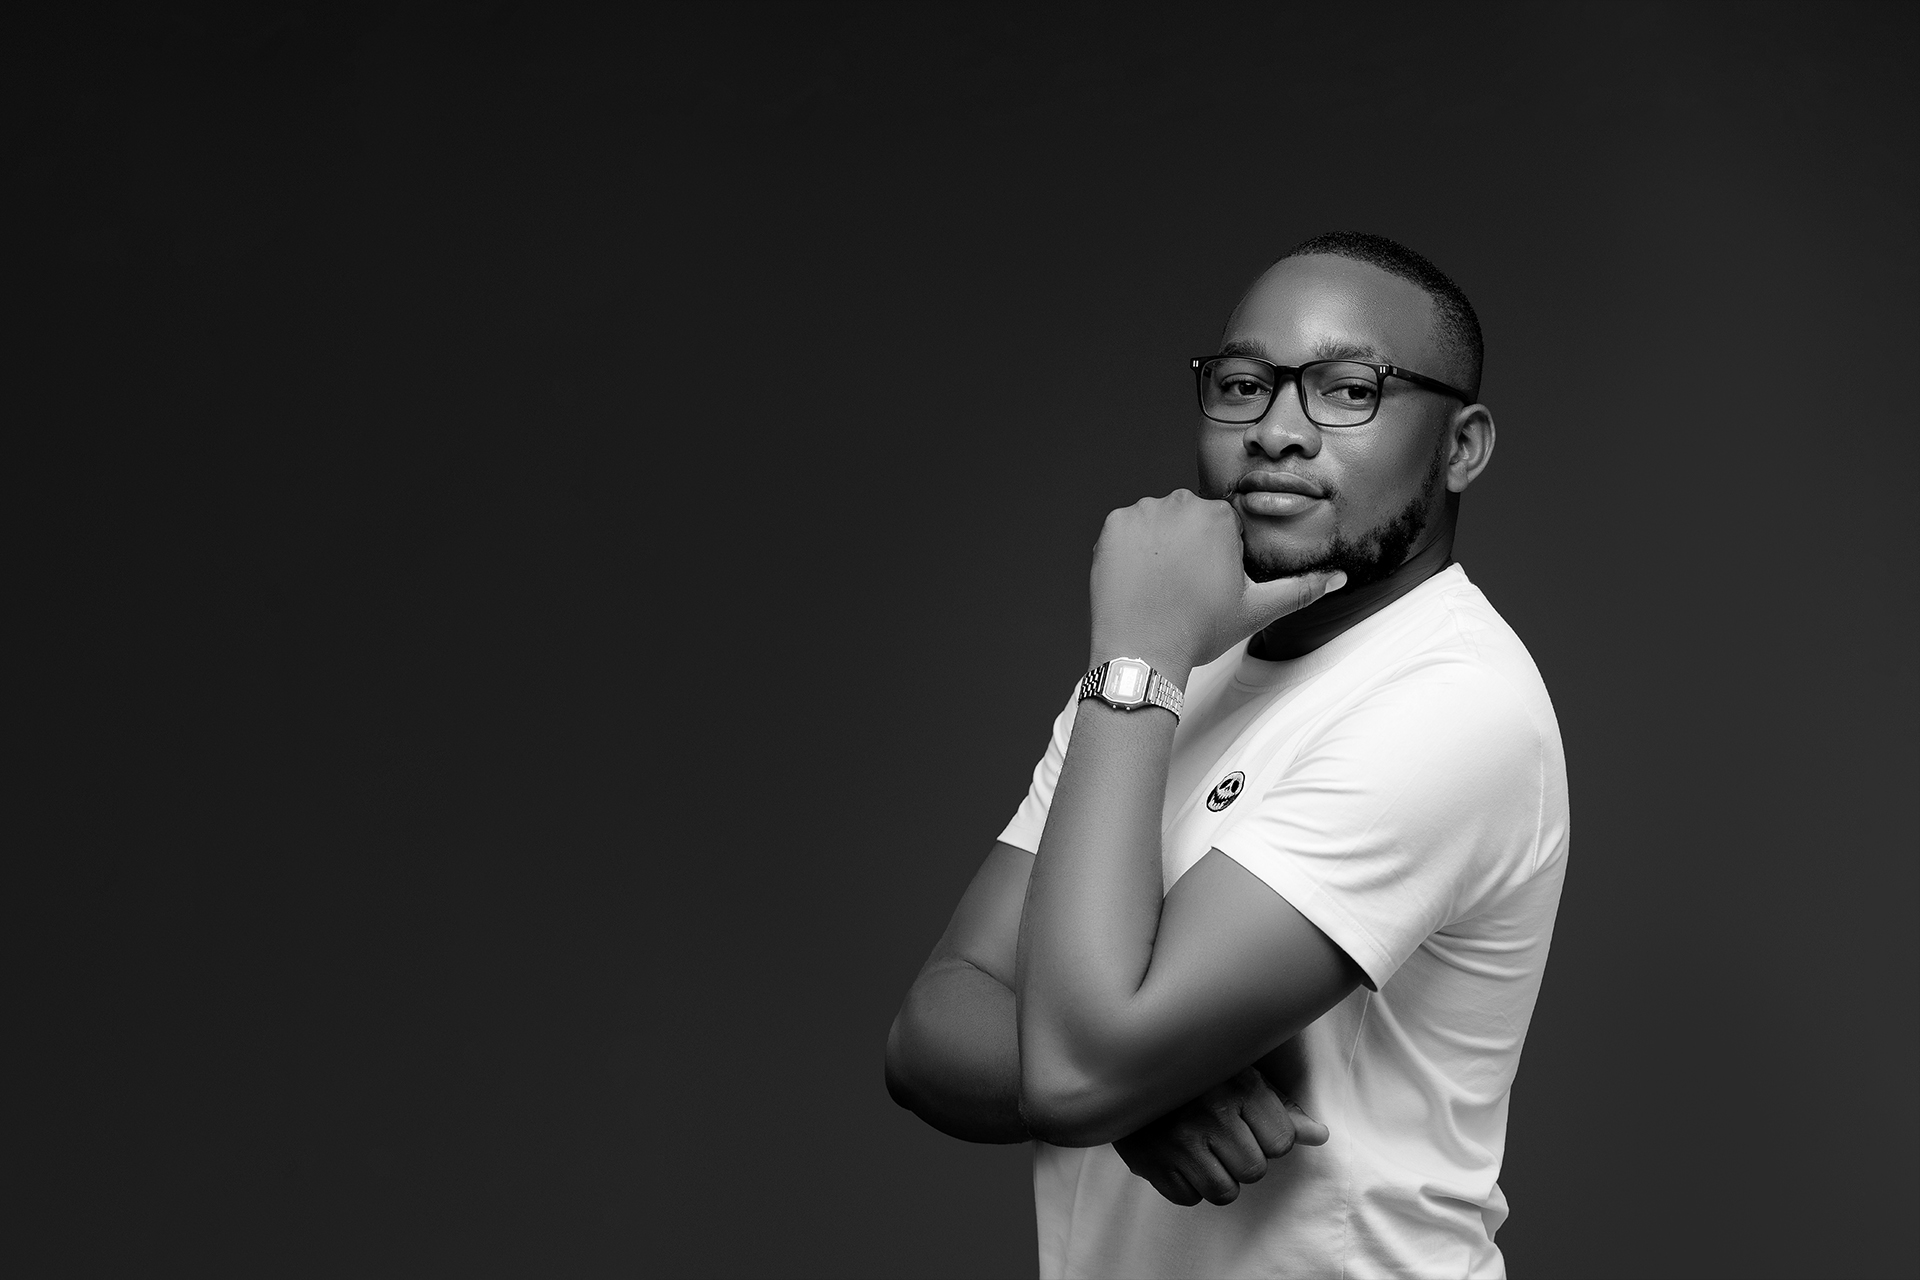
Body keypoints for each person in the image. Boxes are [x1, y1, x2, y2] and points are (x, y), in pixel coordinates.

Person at [884, 230, 1569, 1279]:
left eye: (1349, 392)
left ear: (1461, 446)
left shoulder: (1454, 703)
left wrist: (1109, 1081)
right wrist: (1140, 1090)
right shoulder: (1163, 671)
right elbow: (931, 1025)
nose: (1277, 432)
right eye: (1245, 385)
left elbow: (1072, 1072)